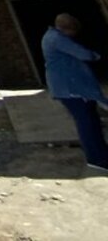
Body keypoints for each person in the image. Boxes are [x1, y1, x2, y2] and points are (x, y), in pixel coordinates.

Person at [41, 13, 108, 172]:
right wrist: (97, 55)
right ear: (67, 29)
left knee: (91, 121)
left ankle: (100, 154)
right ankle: (97, 159)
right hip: (71, 89)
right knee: (87, 123)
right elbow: (83, 53)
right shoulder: (57, 39)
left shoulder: (52, 37)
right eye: (73, 32)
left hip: (70, 87)